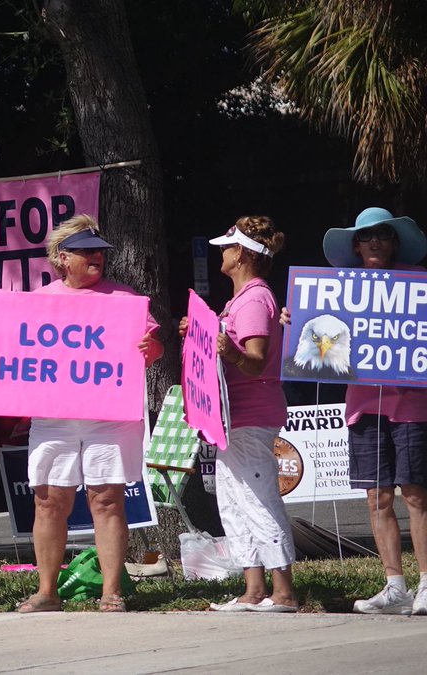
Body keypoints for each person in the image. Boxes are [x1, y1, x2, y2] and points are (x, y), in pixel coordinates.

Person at [17, 215, 163, 614]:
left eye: (99, 250)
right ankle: (48, 592)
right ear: (62, 258)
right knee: (48, 500)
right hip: (53, 416)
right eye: (86, 251)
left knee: (107, 499)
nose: (97, 256)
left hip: (109, 415)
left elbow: (152, 351)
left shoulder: (125, 300)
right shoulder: (38, 300)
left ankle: (111, 591)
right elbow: (16, 352)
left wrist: (149, 349)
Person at [313, 207, 427, 615]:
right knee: (376, 497)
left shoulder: (418, 283)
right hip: (363, 407)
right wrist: (298, 321)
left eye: (382, 234)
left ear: (394, 242)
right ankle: (394, 585)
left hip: (412, 404)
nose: (374, 241)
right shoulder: (338, 289)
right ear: (356, 246)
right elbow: (317, 341)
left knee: (416, 494)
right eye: (366, 236)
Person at [180, 216, 297, 613]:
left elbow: (255, 362)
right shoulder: (241, 300)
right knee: (232, 501)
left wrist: (225, 349)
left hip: (250, 414)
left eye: (227, 247)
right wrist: (200, 333)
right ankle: (253, 588)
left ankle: (282, 590)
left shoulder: (253, 299)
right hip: (235, 417)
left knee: (258, 499)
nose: (221, 253)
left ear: (243, 254)